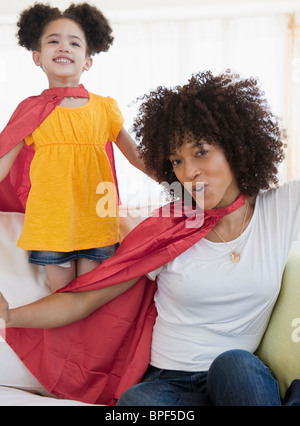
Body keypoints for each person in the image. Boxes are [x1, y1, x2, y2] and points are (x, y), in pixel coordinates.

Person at [1, 70, 300, 406]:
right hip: (167, 385)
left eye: (200, 152)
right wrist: (9, 316)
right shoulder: (167, 229)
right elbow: (82, 299)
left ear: (236, 146)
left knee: (235, 364)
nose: (188, 172)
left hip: (237, 382)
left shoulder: (279, 211)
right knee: (134, 405)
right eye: (177, 161)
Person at [0, 3, 151, 292]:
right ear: (37, 57)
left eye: (74, 42)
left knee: (89, 299)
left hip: (96, 223)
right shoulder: (30, 110)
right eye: (53, 41)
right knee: (64, 299)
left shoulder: (104, 108)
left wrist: (180, 182)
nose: (63, 47)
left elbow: (137, 157)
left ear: (87, 61)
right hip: (50, 228)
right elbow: (4, 161)